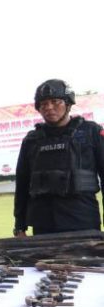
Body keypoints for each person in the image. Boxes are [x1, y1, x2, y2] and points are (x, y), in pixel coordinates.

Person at [14, 79, 104, 236]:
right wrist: (20, 226)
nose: (49, 107)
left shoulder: (92, 133)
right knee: (44, 262)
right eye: (43, 104)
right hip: (43, 225)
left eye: (55, 101)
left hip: (83, 222)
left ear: (68, 103)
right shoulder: (32, 140)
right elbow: (22, 183)